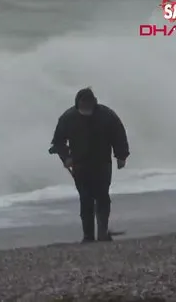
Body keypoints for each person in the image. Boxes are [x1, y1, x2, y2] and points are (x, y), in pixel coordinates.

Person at [48, 87, 130, 243]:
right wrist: (66, 158)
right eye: (83, 106)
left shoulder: (106, 115)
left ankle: (102, 233)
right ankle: (88, 235)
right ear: (77, 104)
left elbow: (118, 135)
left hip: (102, 163)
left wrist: (121, 156)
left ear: (94, 103)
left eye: (88, 105)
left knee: (102, 197)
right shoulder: (68, 117)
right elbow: (58, 141)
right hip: (80, 165)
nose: (86, 109)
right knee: (85, 199)